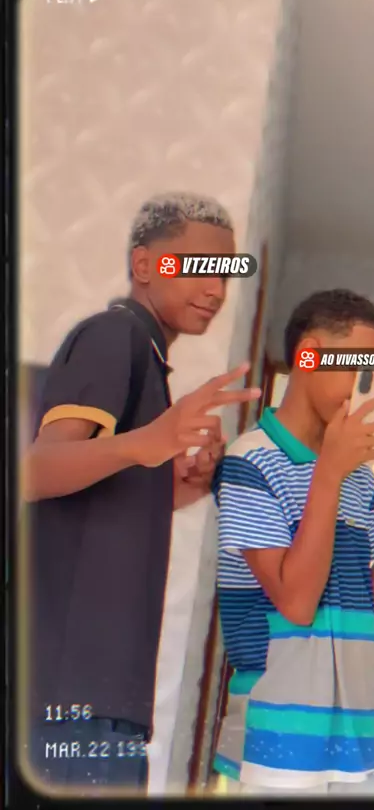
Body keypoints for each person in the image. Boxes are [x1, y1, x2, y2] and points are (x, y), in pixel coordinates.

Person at [21, 192, 261, 796]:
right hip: (72, 692)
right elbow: (37, 470)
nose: (215, 290)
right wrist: (149, 443)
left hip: (103, 692)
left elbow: (101, 499)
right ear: (145, 264)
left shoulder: (147, 358)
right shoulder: (114, 336)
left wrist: (177, 485)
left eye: (224, 274)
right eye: (198, 267)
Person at [213, 288, 374, 797]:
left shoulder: (359, 478)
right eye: (357, 368)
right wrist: (328, 473)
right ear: (308, 355)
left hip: (355, 723)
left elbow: (341, 608)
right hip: (280, 727)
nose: (363, 386)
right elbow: (297, 605)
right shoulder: (249, 463)